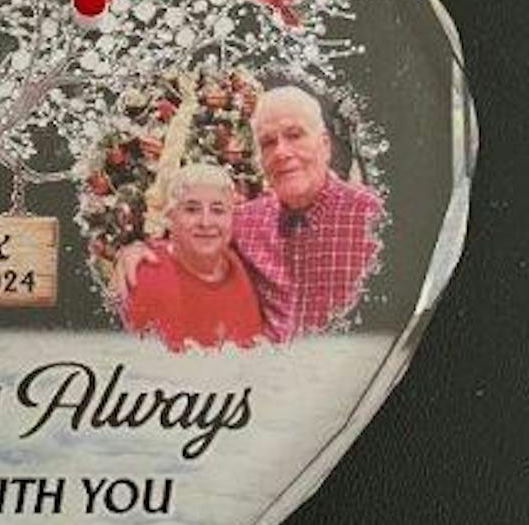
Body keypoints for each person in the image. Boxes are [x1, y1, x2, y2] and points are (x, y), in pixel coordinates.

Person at [115, 86, 384, 342]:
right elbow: (191, 241)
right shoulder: (245, 222)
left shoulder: (372, 218)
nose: (281, 152)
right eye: (268, 143)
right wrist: (136, 252)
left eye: (294, 135)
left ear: (325, 145)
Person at [121, 163, 263, 351]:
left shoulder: (237, 264)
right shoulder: (149, 273)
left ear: (232, 217)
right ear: (170, 217)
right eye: (192, 210)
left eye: (218, 210)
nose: (206, 222)